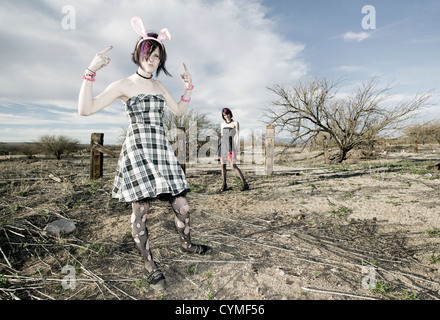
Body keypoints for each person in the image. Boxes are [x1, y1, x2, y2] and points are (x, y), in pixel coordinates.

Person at [78, 17, 212, 291]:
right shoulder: (123, 84)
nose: (152, 59)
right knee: (142, 210)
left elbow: (179, 112)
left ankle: (186, 245)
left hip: (161, 149)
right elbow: (86, 109)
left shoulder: (160, 87)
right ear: (138, 54)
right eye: (148, 54)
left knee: (183, 205)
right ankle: (150, 265)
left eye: (157, 55)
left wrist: (188, 89)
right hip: (138, 150)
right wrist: (91, 70)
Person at [217, 107, 249, 192]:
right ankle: (224, 185)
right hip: (223, 145)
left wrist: (237, 146)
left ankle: (244, 184)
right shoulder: (222, 124)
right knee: (222, 165)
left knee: (233, 166)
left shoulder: (235, 123)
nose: (226, 116)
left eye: (227, 114)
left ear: (230, 114)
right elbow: (223, 136)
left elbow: (237, 136)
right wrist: (216, 134)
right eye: (224, 115)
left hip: (231, 146)